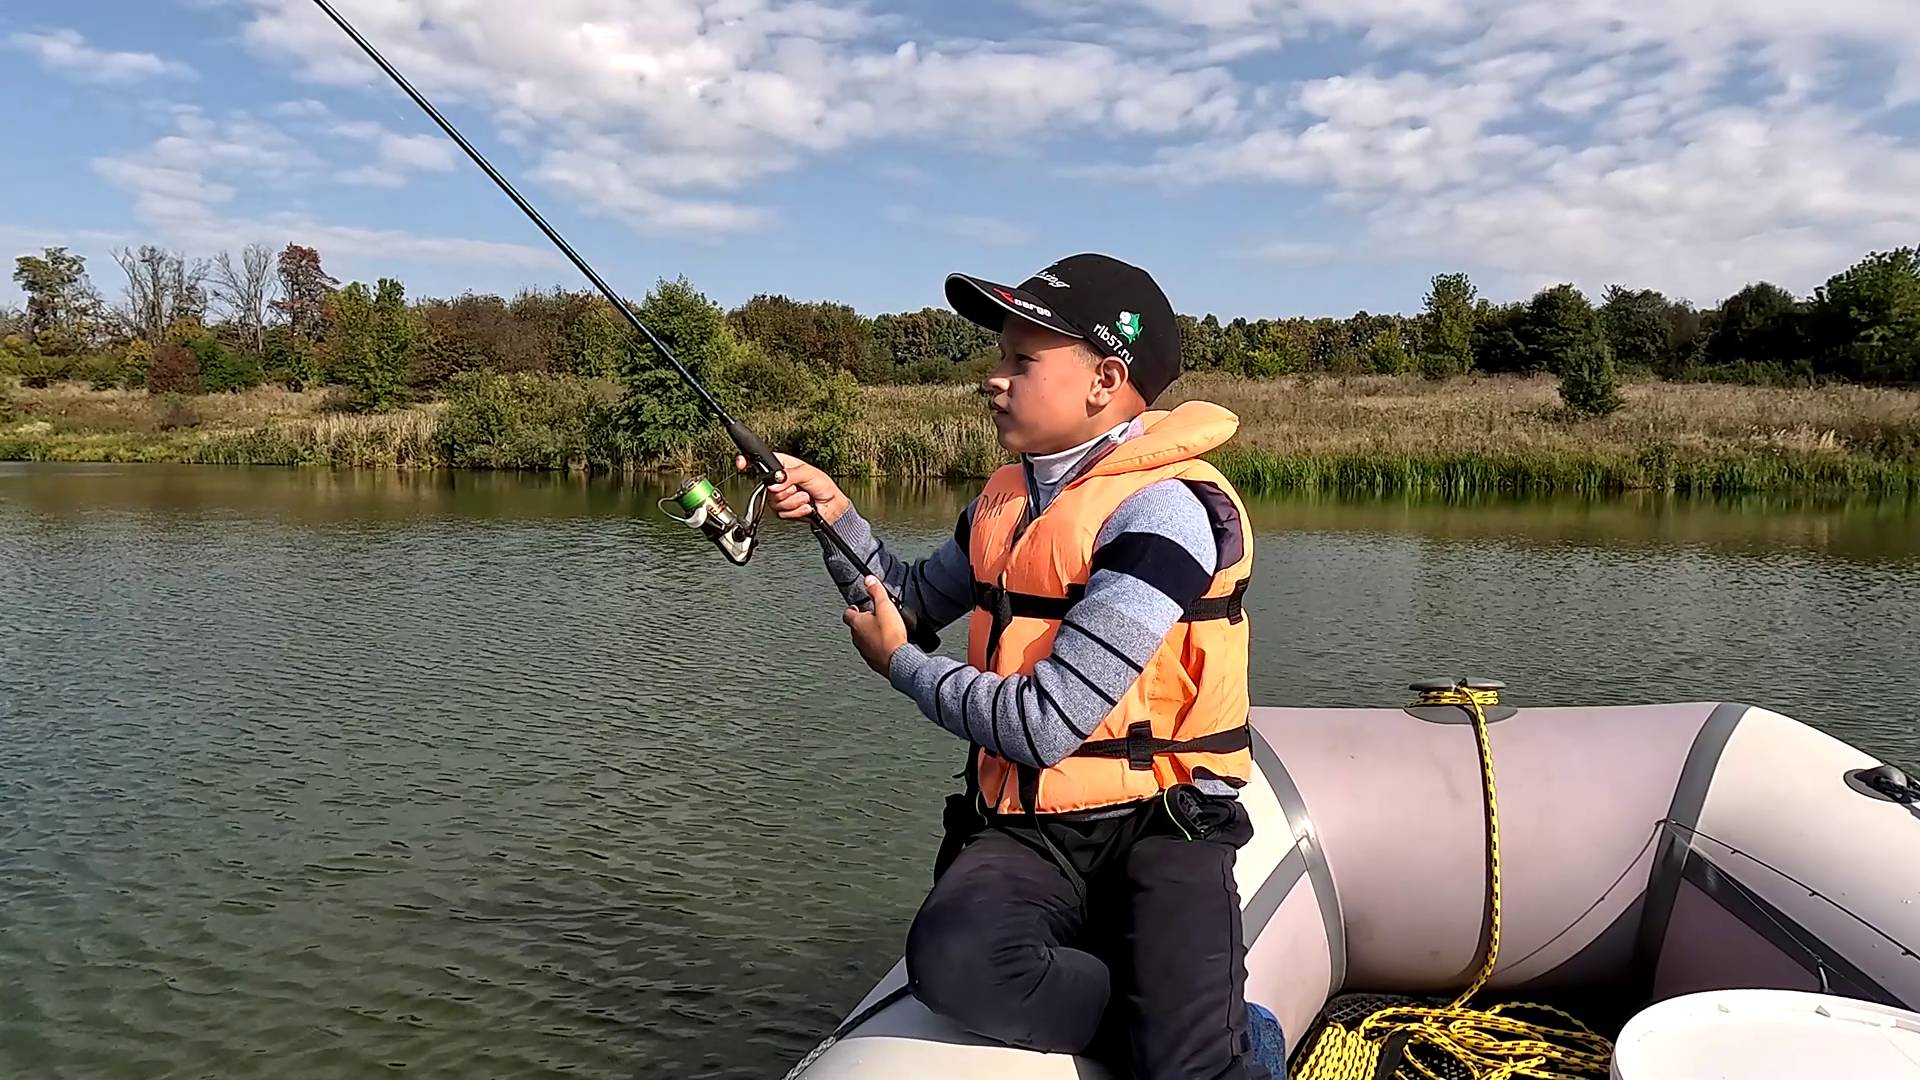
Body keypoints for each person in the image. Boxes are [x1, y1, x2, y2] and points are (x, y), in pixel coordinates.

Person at [745, 253, 1266, 1080]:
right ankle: (1158, 1010)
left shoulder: (1164, 510)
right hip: (1034, 829)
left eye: (1021, 362)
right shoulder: (1008, 500)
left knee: (1193, 1066)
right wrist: (832, 512)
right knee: (953, 960)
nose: (991, 380)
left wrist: (901, 670)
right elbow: (909, 601)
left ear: (1105, 379)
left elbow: (1046, 722)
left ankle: (1229, 1030)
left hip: (1162, 824)